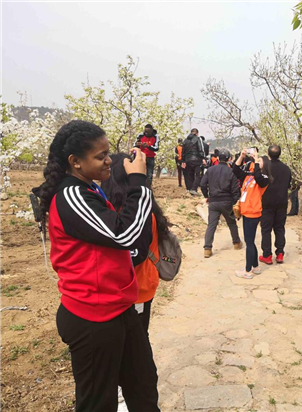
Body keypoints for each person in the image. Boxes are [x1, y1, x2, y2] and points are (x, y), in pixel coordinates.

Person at [33, 120, 159, 412]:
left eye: (108, 152)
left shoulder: (88, 189)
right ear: (75, 162)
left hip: (118, 307)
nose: (109, 161)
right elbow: (125, 235)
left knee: (143, 385)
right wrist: (138, 182)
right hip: (94, 317)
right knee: (98, 403)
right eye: (100, 156)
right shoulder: (72, 196)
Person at [101, 153, 171, 335]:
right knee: (137, 338)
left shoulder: (129, 215)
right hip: (140, 287)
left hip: (134, 291)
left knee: (136, 340)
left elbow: (135, 254)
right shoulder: (142, 207)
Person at [232, 149, 272, 279]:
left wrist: (255, 161)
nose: (255, 161)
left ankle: (248, 271)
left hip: (253, 213)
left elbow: (259, 177)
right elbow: (235, 169)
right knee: (250, 241)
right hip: (246, 211)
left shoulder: (264, 178)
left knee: (249, 242)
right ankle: (255, 266)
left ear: (264, 165)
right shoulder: (249, 175)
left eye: (259, 161)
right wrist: (241, 156)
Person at [200, 148, 243, 258]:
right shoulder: (230, 171)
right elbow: (235, 189)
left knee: (211, 225)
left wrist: (207, 196)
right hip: (227, 201)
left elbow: (203, 184)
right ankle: (236, 243)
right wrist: (235, 202)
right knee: (232, 223)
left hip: (213, 201)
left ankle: (207, 249)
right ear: (229, 159)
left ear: (218, 158)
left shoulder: (210, 170)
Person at [259, 145, 292, 265]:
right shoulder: (286, 168)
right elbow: (288, 185)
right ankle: (280, 253)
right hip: (282, 202)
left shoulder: (265, 167)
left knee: (266, 229)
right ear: (280, 154)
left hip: (267, 203)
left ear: (268, 154)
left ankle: (267, 255)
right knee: (279, 228)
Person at [182, 128, 206, 195]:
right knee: (198, 175)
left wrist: (183, 161)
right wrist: (203, 158)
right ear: (197, 133)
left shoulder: (185, 140)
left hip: (187, 160)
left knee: (190, 175)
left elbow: (183, 152)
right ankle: (194, 189)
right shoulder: (198, 139)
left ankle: (190, 190)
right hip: (196, 160)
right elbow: (201, 149)